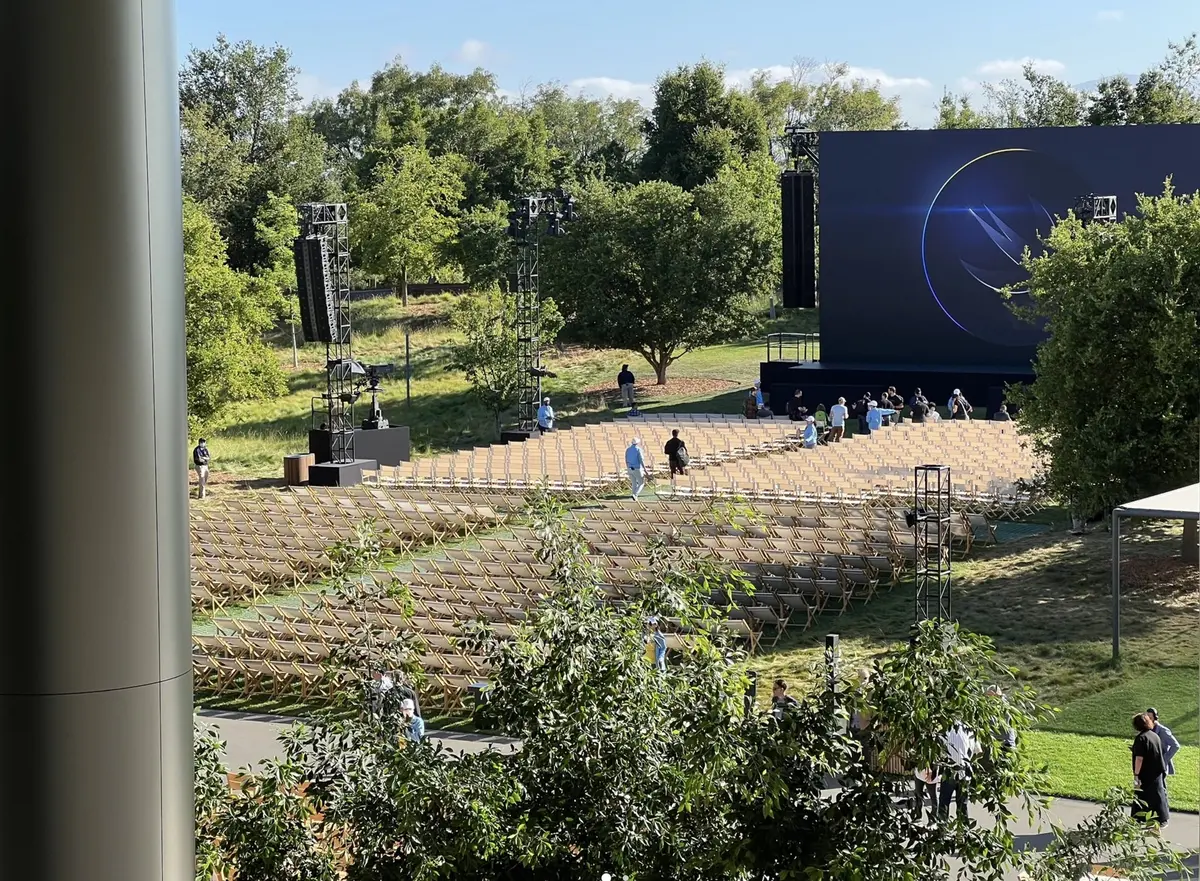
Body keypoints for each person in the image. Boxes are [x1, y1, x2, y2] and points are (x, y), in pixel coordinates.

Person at [1130, 712, 1169, 825]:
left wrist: (1136, 774)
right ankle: (1161, 818)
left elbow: (1139, 759)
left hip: (1145, 773)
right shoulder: (1154, 736)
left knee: (1141, 796)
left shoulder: (1141, 739)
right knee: (1157, 795)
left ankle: (1138, 818)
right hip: (1157, 771)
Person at [939, 722, 979, 820]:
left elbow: (939, 752)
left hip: (949, 771)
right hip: (965, 772)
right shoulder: (969, 731)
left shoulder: (945, 731)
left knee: (944, 803)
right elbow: (979, 751)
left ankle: (942, 830)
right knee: (962, 805)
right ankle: (962, 832)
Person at [1146, 708, 1181, 780]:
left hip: (1159, 766)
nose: (1148, 720)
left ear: (1155, 718)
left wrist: (1164, 759)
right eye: (1146, 718)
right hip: (1148, 763)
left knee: (1161, 788)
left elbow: (1175, 746)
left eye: (1150, 718)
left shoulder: (1163, 731)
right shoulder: (1147, 729)